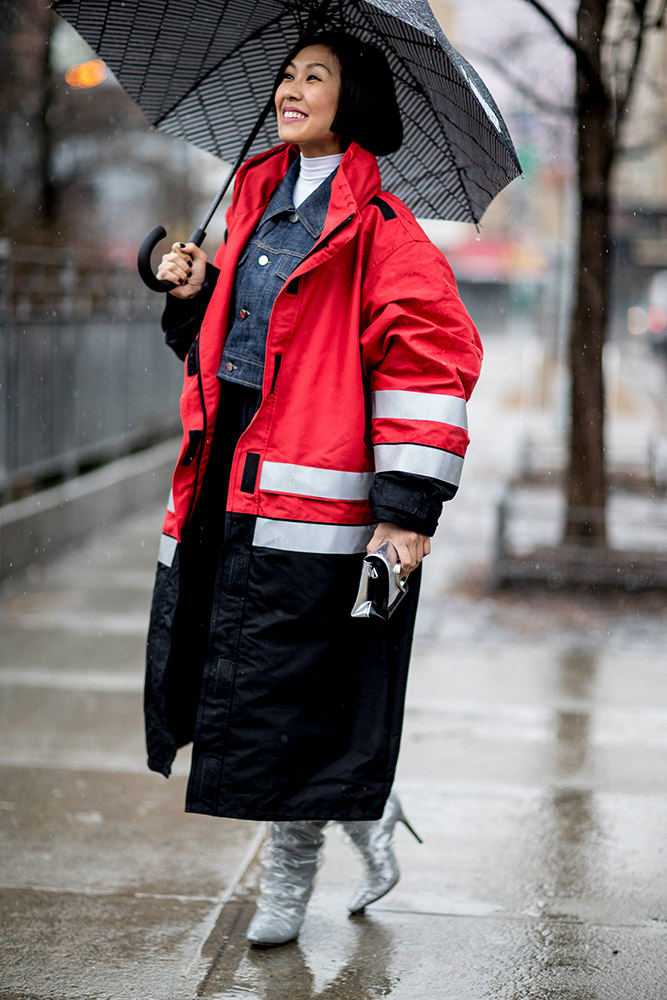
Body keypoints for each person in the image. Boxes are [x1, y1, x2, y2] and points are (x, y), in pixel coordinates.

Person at [144, 31, 482, 947]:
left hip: (317, 503)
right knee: (255, 685)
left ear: (352, 100)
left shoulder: (381, 233)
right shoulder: (253, 202)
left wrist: (405, 515)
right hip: (228, 482)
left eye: (313, 78)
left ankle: (289, 882)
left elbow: (430, 365)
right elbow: (225, 351)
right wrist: (189, 290)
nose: (290, 90)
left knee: (290, 689)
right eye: (287, 76)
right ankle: (364, 809)